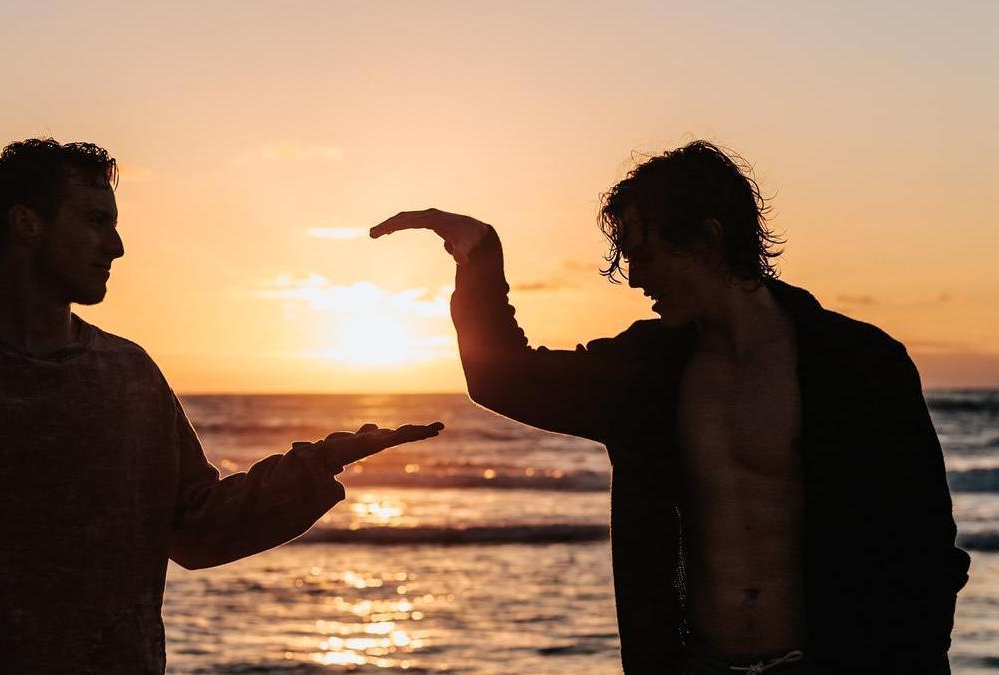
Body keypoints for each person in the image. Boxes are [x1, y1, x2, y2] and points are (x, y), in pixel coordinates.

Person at [0, 138, 442, 673]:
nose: (117, 245)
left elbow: (194, 526)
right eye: (96, 221)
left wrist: (319, 464)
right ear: (27, 225)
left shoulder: (129, 378)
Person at [371, 141, 969, 674]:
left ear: (708, 240)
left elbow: (926, 549)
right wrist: (480, 258)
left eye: (645, 254)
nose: (633, 278)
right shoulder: (644, 372)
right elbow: (503, 379)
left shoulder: (861, 364)